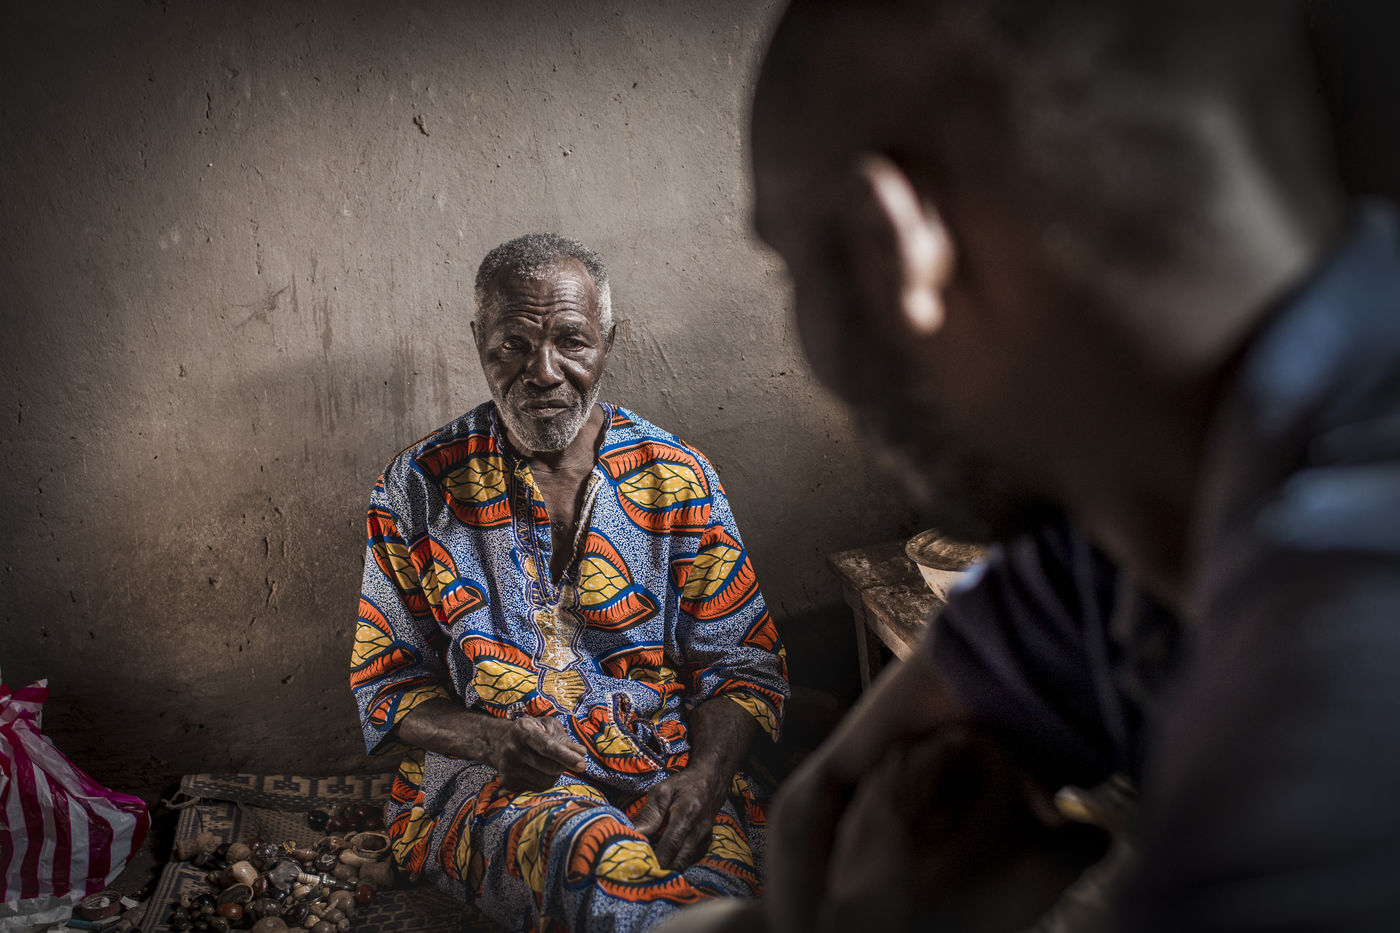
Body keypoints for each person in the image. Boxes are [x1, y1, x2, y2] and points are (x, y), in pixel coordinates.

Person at [747, 0, 1400, 930]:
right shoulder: (1141, 531)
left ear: (892, 243)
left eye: (793, 267)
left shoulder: (1341, 714)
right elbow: (835, 804)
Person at [349, 233, 789, 933]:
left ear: (609, 343)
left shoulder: (678, 478)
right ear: (478, 342)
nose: (544, 372)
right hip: (500, 782)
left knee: (721, 889)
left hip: (666, 765)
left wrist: (704, 781)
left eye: (571, 341)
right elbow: (388, 686)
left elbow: (742, 666)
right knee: (594, 859)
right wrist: (492, 741)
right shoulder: (417, 487)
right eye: (514, 345)